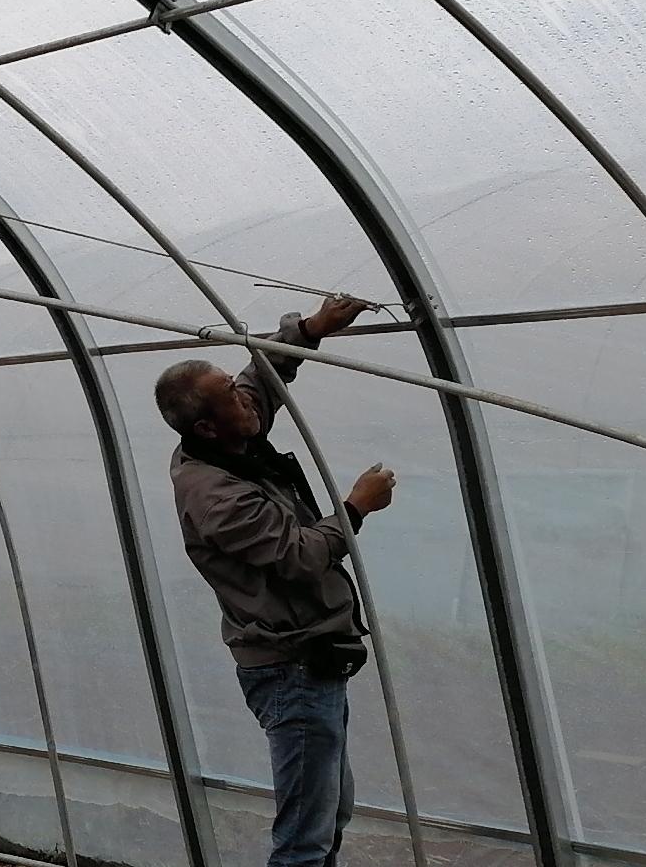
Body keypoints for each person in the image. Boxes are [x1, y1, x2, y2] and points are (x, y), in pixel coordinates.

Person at [155, 295, 397, 867]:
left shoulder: (228, 441)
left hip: (312, 657)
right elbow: (300, 556)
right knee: (305, 838)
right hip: (291, 668)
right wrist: (355, 508)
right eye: (230, 395)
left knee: (327, 815)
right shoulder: (216, 496)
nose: (245, 397)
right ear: (207, 425)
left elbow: (260, 379)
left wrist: (310, 328)